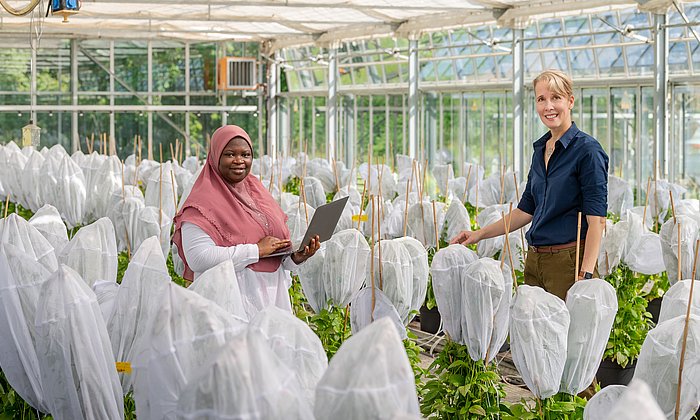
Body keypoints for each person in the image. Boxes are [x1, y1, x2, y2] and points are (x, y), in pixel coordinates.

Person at [451, 69, 608, 301]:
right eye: (541, 99)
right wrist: (478, 234)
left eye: (556, 98)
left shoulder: (587, 151)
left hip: (568, 261)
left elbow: (597, 220)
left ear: (570, 101)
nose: (548, 106)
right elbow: (526, 210)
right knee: (535, 335)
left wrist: (584, 275)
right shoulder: (541, 150)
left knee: (566, 336)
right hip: (535, 260)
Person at [172, 124, 320, 317]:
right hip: (231, 303)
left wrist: (295, 258)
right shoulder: (201, 203)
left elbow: (273, 254)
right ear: (215, 156)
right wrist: (255, 250)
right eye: (230, 154)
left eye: (246, 154)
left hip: (273, 299)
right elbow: (198, 259)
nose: (239, 160)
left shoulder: (258, 193)